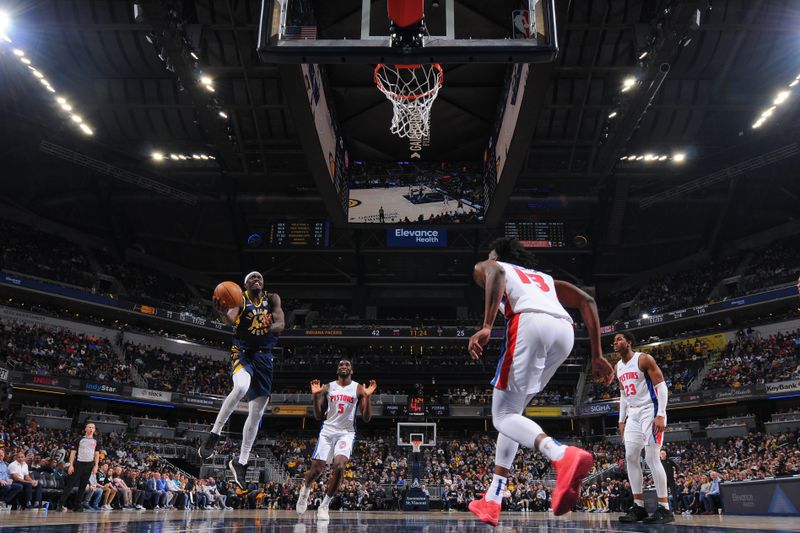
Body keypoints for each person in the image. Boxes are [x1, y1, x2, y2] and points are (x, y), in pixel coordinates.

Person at [466, 238, 615, 526]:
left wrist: (486, 326)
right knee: (513, 414)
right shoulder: (545, 279)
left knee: (502, 415)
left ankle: (560, 453)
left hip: (529, 324)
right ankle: (493, 498)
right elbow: (587, 301)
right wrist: (597, 354)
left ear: (496, 256)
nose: (488, 261)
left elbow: (495, 273)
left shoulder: (493, 266)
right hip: (564, 332)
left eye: (490, 256)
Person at [199, 271, 285, 489]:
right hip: (243, 352)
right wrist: (222, 313)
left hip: (265, 356)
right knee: (241, 387)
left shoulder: (272, 298)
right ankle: (214, 434)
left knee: (257, 414)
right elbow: (230, 318)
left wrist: (263, 328)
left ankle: (241, 462)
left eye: (259, 278)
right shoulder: (240, 299)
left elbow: (280, 324)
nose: (256, 279)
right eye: (252, 278)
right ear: (244, 285)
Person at [295, 359, 377, 521]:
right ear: (337, 370)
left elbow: (367, 418)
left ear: (351, 371)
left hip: (346, 433)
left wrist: (367, 397)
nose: (344, 367)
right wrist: (315, 395)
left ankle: (324, 505)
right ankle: (305, 491)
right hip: (327, 431)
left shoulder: (358, 388)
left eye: (347, 365)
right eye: (341, 365)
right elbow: (318, 416)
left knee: (339, 466)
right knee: (317, 470)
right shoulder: (328, 387)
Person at [615, 331, 674, 524]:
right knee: (630, 456)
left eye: (619, 339)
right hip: (633, 413)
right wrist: (621, 420)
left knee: (651, 456)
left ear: (629, 343)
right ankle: (639, 506)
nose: (615, 342)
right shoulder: (618, 367)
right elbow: (623, 396)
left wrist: (661, 414)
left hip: (651, 408)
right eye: (614, 340)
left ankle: (664, 508)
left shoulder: (644, 359)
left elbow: (662, 387)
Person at [57, 422, 100, 512]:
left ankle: (77, 505)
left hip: (89, 465)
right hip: (79, 464)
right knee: (70, 485)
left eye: (93, 427)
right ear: (86, 429)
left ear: (94, 429)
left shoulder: (96, 441)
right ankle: (60, 505)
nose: (91, 429)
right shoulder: (79, 439)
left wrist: (96, 466)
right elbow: (73, 453)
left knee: (83, 486)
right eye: (89, 427)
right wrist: (71, 465)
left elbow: (96, 454)